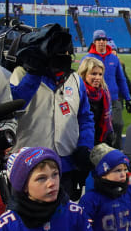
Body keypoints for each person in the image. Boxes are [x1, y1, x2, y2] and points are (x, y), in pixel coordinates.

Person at [10, 25, 94, 200]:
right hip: (29, 166)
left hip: (66, 165)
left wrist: (85, 146)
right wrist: (34, 74)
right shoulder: (20, 74)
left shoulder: (75, 79)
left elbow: (85, 118)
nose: (63, 57)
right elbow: (12, 109)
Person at [0, 147, 92, 230]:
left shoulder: (75, 214)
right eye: (41, 178)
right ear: (24, 186)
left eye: (55, 174)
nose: (52, 183)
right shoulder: (6, 225)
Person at [82, 30, 131, 150]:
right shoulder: (88, 58)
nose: (101, 42)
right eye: (99, 40)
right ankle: (96, 150)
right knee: (97, 127)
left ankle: (117, 151)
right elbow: (81, 79)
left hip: (114, 98)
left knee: (118, 125)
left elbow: (121, 79)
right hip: (94, 99)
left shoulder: (114, 59)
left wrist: (127, 98)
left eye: (103, 40)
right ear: (94, 42)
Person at [79, 143, 131, 231]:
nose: (123, 174)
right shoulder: (90, 199)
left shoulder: (129, 191)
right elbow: (82, 226)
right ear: (103, 174)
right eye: (118, 170)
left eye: (124, 169)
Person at [77, 57, 114, 146]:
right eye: (93, 74)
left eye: (100, 74)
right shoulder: (77, 92)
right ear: (84, 73)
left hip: (100, 138)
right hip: (81, 140)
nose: (97, 78)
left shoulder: (104, 92)